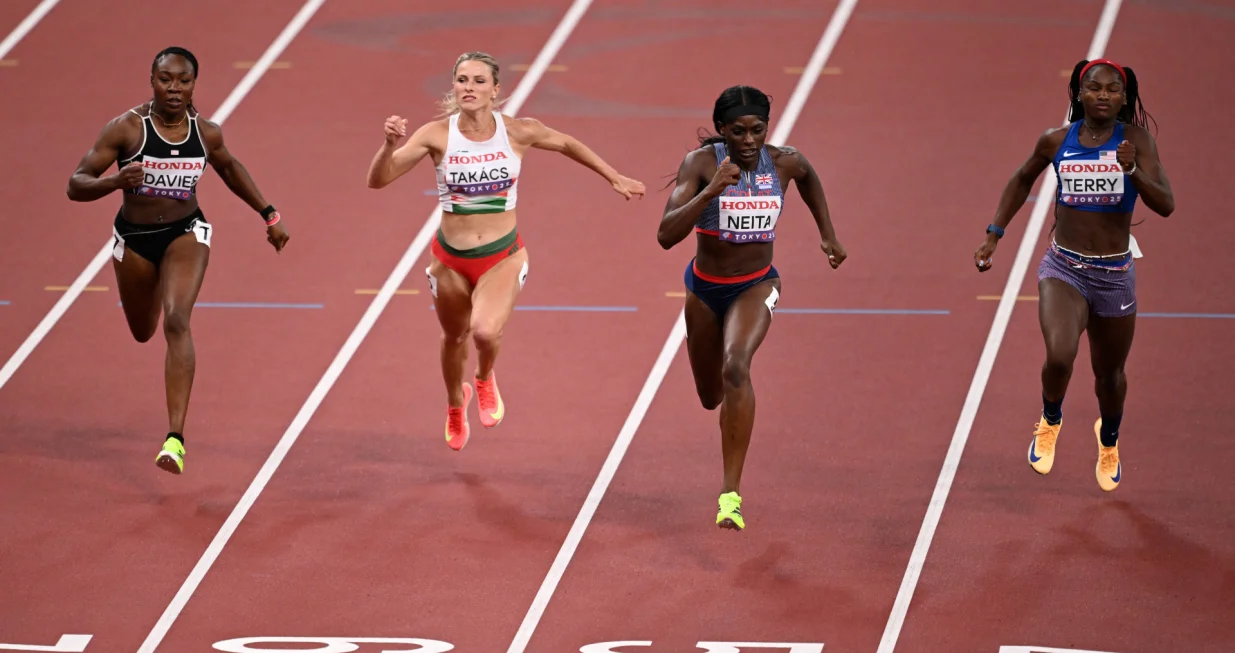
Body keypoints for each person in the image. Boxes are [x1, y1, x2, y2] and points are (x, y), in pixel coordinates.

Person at [366, 51, 645, 451]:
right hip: (449, 260)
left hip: (502, 255)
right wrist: (387, 145)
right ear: (454, 86)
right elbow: (379, 180)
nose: (469, 88)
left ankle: (483, 377)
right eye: (462, 80)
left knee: (484, 330)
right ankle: (453, 405)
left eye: (479, 81)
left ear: (495, 90)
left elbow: (566, 143)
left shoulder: (516, 131)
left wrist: (613, 176)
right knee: (454, 336)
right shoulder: (435, 135)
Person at [66, 46, 291, 475]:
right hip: (133, 239)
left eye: (183, 81)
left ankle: (175, 439)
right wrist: (115, 180)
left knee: (176, 319)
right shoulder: (126, 130)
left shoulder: (205, 133)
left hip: (186, 233)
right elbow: (75, 185)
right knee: (142, 330)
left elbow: (229, 169)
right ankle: (150, 302)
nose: (174, 88)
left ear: (193, 85)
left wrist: (269, 214)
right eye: (165, 79)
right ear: (152, 80)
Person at [974, 58, 1174, 492]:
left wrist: (1133, 170)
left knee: (1110, 376)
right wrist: (994, 233)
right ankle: (1050, 419)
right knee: (1060, 355)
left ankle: (1109, 440)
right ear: (1078, 94)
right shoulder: (1056, 141)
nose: (1103, 95)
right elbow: (1021, 179)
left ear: (1125, 98)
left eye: (1113, 89)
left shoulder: (1135, 141)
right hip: (1064, 266)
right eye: (1094, 88)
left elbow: (1166, 204)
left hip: (1115, 273)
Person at [657, 85, 847, 530]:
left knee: (736, 365)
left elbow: (808, 178)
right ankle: (726, 404)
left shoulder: (784, 161)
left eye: (757, 131)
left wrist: (828, 234)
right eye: (738, 132)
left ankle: (730, 495)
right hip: (704, 289)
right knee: (710, 397)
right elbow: (666, 235)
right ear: (721, 131)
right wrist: (709, 193)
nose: (748, 141)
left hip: (757, 284)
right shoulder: (701, 165)